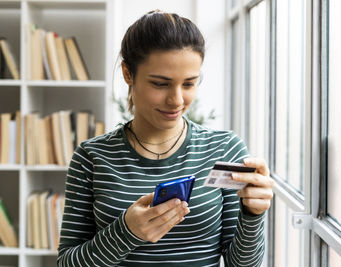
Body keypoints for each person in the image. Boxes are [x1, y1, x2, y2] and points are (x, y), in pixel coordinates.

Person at [57, 10, 274, 267]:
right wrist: (126, 232)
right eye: (160, 84)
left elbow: (242, 265)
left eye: (189, 84)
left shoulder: (223, 148)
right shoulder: (91, 157)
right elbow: (66, 263)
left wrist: (252, 214)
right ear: (128, 73)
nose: (177, 101)